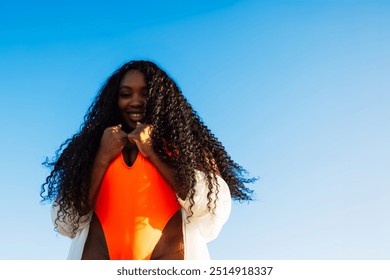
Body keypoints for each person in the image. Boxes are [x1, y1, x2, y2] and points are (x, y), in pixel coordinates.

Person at [41, 60, 255, 260]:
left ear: (162, 100)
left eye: (145, 94)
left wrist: (153, 152)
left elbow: (211, 209)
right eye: (126, 94)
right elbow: (67, 221)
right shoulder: (94, 148)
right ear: (114, 100)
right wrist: (102, 158)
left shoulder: (185, 147)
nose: (135, 102)